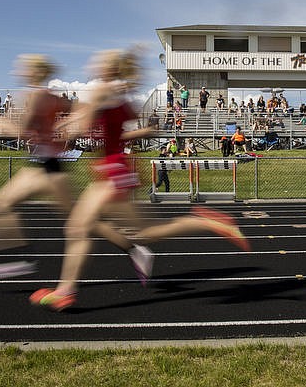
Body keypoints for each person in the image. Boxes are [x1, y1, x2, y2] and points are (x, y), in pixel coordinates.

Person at [29, 48, 249, 311]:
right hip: (109, 170)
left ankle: (66, 291)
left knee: (83, 227)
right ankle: (205, 220)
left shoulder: (102, 91)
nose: (91, 63)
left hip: (112, 172)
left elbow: (82, 125)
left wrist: (60, 128)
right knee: (135, 232)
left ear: (108, 67)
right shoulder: (117, 96)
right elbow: (118, 132)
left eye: (97, 60)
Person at [0, 55, 73, 280]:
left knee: (76, 220)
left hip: (47, 167)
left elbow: (22, 131)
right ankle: (16, 260)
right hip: (42, 164)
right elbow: (74, 108)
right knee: (1, 205)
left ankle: (131, 247)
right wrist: (65, 125)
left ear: (34, 71)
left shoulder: (37, 96)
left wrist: (0, 123)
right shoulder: (48, 95)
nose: (18, 71)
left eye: (22, 67)